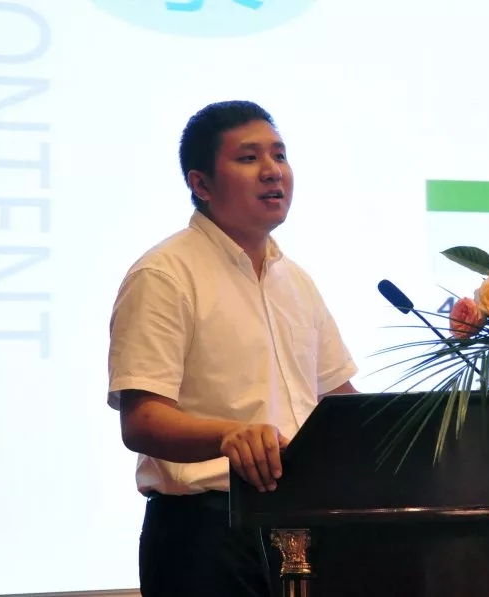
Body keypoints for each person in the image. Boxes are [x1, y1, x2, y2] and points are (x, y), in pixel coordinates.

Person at [106, 100, 359, 597]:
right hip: (204, 535)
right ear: (201, 184)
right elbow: (142, 420)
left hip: (304, 529)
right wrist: (229, 436)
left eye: (279, 155)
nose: (273, 171)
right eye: (248, 158)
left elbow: (339, 400)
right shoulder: (163, 275)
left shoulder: (295, 280)